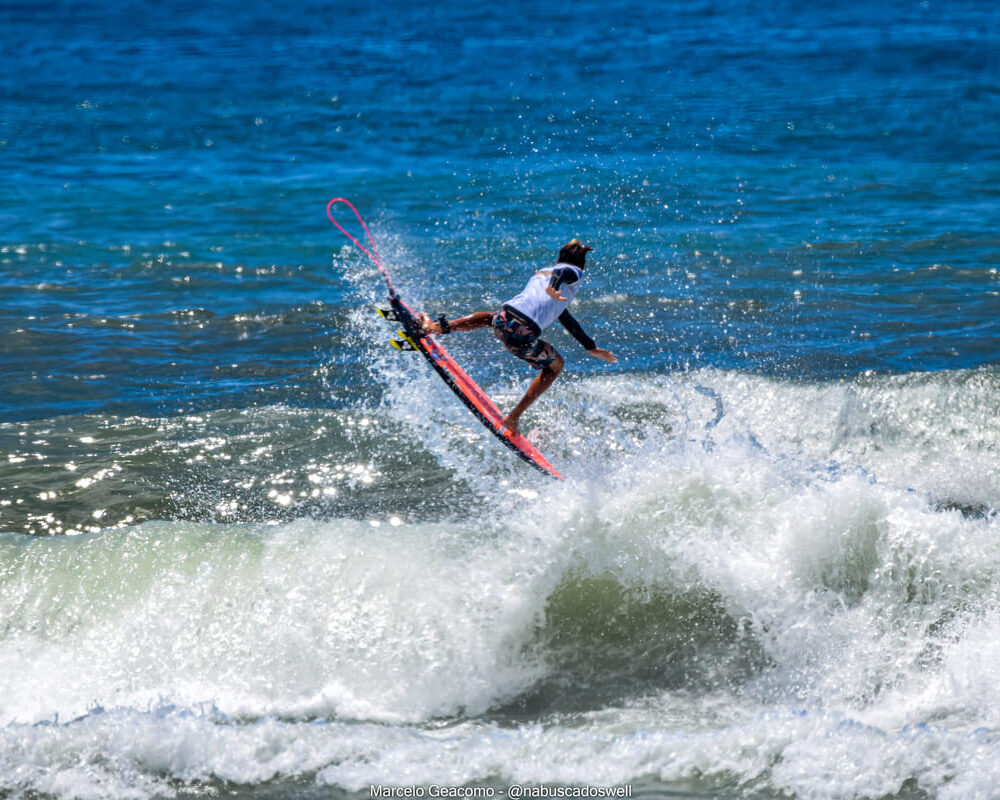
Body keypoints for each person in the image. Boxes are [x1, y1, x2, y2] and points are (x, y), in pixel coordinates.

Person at [419, 239, 616, 436]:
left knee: (491, 318)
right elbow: (563, 273)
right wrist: (553, 286)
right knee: (556, 365)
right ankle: (513, 417)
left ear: (558, 257)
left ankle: (436, 327)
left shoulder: (542, 272)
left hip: (504, 317)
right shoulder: (574, 272)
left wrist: (589, 346)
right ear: (581, 265)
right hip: (521, 333)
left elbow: (565, 317)